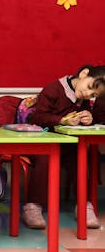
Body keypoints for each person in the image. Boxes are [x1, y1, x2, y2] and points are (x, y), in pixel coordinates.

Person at [23, 65, 105, 229]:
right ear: (83, 74)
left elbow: (84, 120)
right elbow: (37, 117)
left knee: (80, 158)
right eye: (89, 88)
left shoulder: (83, 99)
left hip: (67, 145)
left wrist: (88, 118)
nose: (88, 94)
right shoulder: (53, 90)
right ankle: (33, 206)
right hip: (42, 141)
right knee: (45, 159)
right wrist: (61, 120)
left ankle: (84, 204)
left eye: (94, 95)